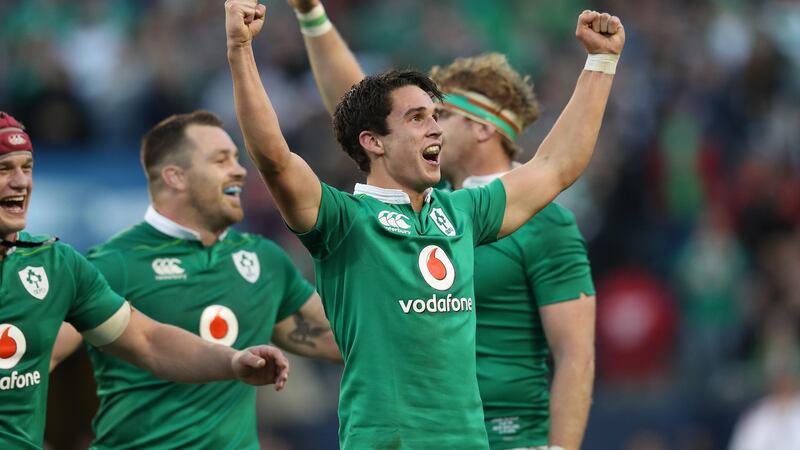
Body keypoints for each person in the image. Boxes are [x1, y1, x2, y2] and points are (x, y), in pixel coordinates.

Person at [225, 0, 623, 447]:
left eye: (438, 116)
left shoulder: (463, 213)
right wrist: (241, 50)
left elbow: (557, 165)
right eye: (419, 118)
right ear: (372, 142)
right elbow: (276, 159)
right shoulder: (344, 221)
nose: (435, 129)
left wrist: (601, 61)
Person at [49, 110, 341, 449]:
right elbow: (38, 355)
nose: (239, 170)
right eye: (221, 160)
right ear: (175, 177)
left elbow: (343, 337)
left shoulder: (263, 260)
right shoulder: (115, 264)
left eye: (235, 158)